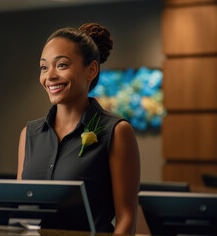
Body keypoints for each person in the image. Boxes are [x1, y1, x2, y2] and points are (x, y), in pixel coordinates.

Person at [17, 23, 140, 234]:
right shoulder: (29, 134)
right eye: (44, 67)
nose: (50, 76)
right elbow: (18, 210)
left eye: (62, 65)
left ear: (91, 70)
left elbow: (126, 218)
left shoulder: (117, 131)